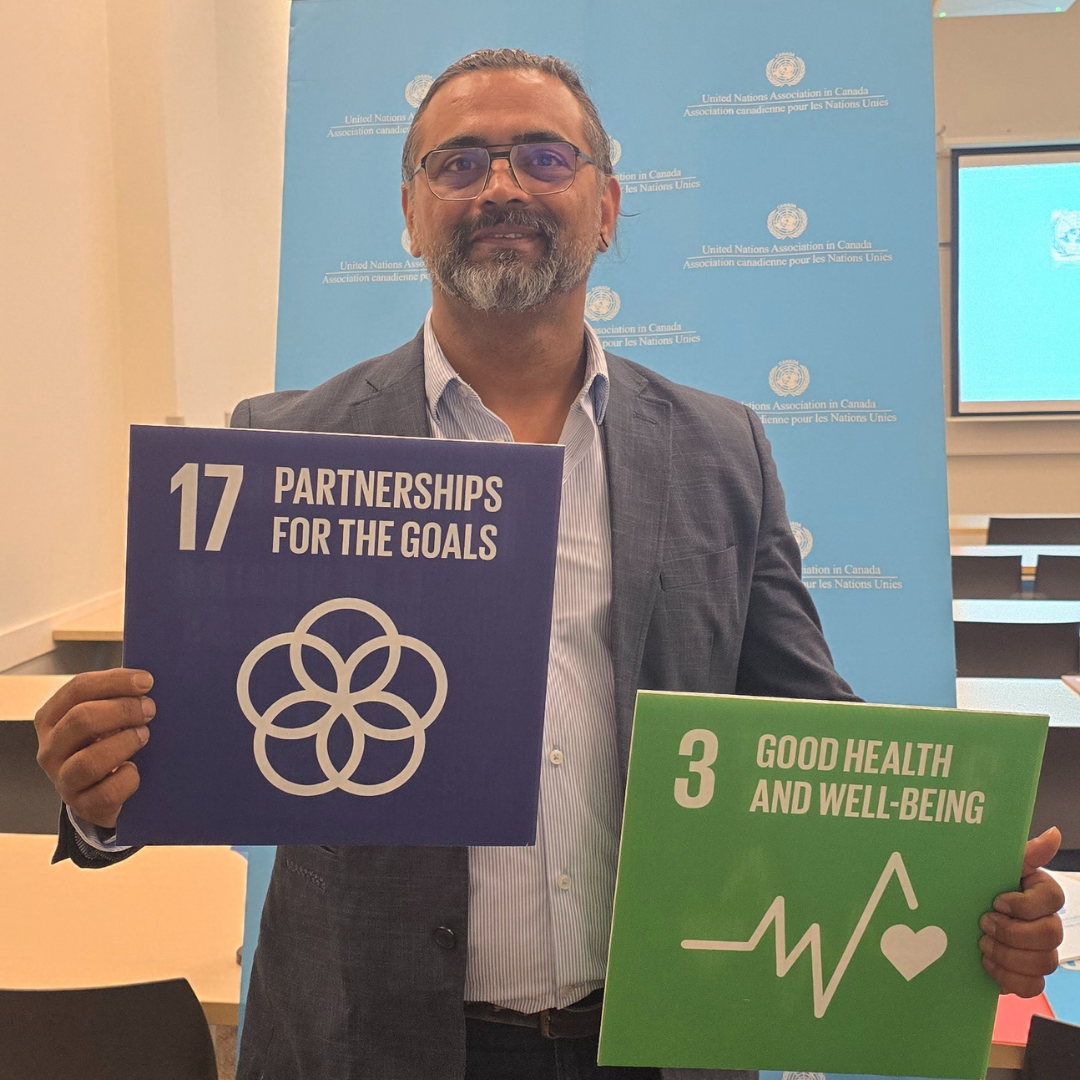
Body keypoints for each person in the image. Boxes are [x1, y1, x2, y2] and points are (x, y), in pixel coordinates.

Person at [35, 49, 1064, 1080]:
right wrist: (105, 793)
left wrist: (964, 886)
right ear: (409, 210)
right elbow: (211, 741)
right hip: (370, 1044)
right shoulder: (282, 449)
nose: (501, 188)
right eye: (459, 163)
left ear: (607, 206)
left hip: (662, 1040)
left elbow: (811, 738)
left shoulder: (722, 449)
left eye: (543, 157)